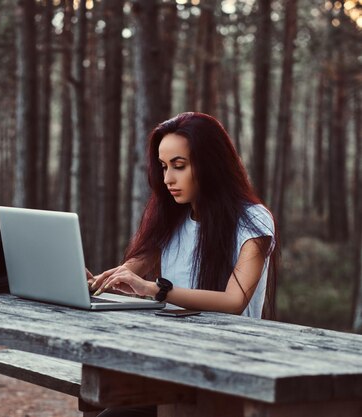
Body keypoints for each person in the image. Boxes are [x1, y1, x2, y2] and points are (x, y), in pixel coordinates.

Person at [88, 112, 278, 417]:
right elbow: (135, 266)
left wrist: (156, 289)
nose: (167, 179)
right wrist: (94, 283)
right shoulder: (172, 216)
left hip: (228, 368)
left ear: (211, 165)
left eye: (179, 166)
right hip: (170, 359)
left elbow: (234, 300)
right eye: (163, 167)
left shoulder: (253, 220)